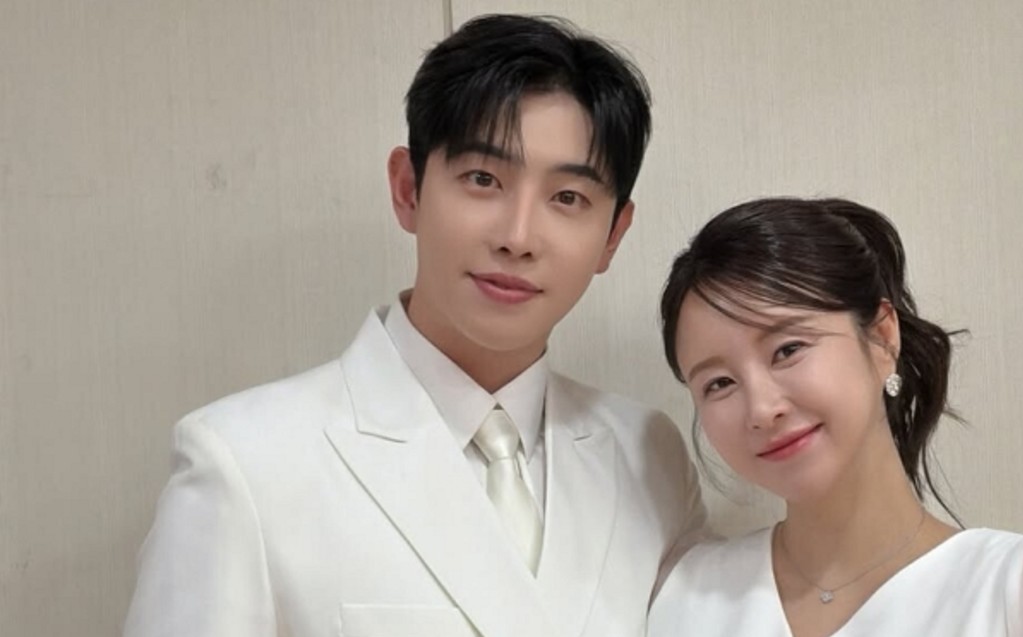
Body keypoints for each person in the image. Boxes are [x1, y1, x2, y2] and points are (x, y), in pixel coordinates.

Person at [124, 14, 704, 637]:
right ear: (408, 189)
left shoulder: (648, 455)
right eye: (483, 179)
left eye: (568, 198)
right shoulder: (245, 460)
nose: (518, 237)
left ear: (613, 235)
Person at [648, 198, 1023, 636]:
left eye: (788, 349)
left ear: (883, 338)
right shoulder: (682, 599)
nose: (761, 409)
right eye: (719, 383)